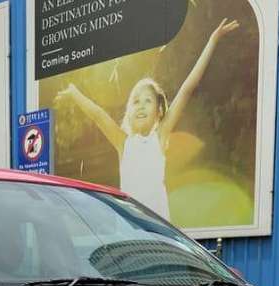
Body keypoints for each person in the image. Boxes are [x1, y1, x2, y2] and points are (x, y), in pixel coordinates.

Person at [54, 18, 240, 220]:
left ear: (159, 111)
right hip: (131, 229)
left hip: (157, 230)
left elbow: (187, 88)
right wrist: (74, 92)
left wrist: (213, 40)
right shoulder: (123, 143)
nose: (141, 105)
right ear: (129, 111)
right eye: (135, 101)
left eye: (147, 101)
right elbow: (98, 116)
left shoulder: (159, 137)